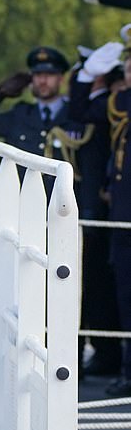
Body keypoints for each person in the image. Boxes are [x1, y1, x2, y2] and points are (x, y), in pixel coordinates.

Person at [68, 33, 131, 395]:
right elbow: (81, 112)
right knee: (125, 294)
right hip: (122, 214)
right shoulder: (120, 99)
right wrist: (86, 76)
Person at [0, 46, 82, 157]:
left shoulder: (77, 114)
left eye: (49, 74)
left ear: (61, 78)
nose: (43, 81)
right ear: (31, 78)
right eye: (37, 74)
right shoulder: (20, 115)